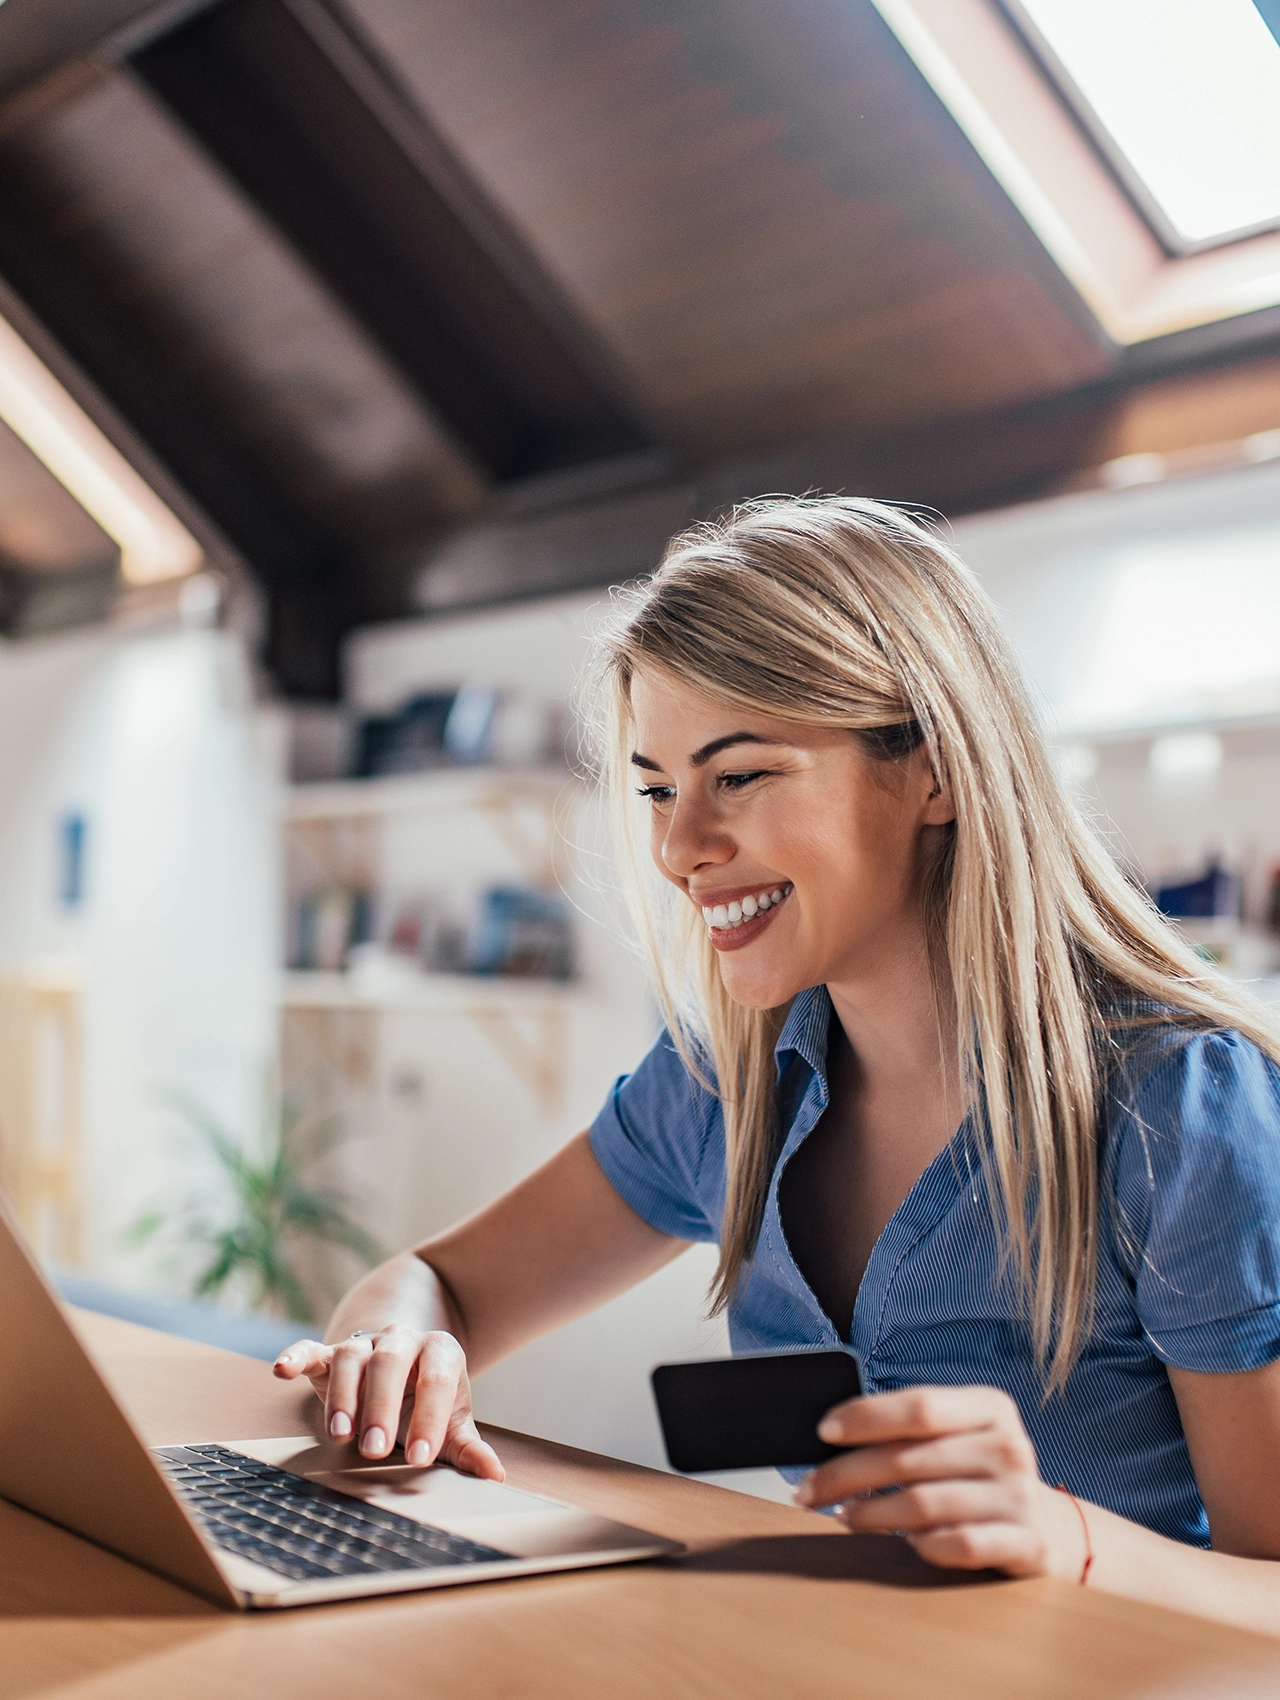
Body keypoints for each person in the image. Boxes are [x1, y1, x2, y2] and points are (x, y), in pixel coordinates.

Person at [275, 496, 1280, 1632]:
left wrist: (1065, 1537)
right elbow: (441, 1282)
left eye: (738, 775)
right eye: (658, 787)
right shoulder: (721, 1083)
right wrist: (393, 1345)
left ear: (933, 771)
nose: (676, 847)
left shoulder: (1180, 1109)